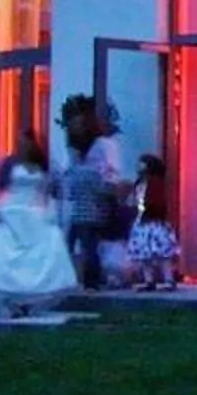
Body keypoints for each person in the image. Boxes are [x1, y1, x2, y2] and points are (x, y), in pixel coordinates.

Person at [0, 140, 77, 318]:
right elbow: (4, 186)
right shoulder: (11, 164)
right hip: (13, 209)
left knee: (39, 251)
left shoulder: (42, 168)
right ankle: (8, 297)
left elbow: (46, 191)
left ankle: (28, 300)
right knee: (5, 248)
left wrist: (49, 210)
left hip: (34, 211)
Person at [53, 96, 131, 292]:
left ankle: (92, 281)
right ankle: (72, 278)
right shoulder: (76, 150)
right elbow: (69, 174)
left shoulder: (102, 146)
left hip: (94, 205)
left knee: (89, 245)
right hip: (79, 204)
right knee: (74, 242)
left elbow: (109, 177)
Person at [122, 152, 181, 290]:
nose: (139, 166)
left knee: (162, 252)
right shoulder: (139, 183)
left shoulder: (155, 182)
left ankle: (168, 279)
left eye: (142, 163)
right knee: (144, 254)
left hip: (154, 221)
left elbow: (157, 202)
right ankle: (149, 280)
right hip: (142, 222)